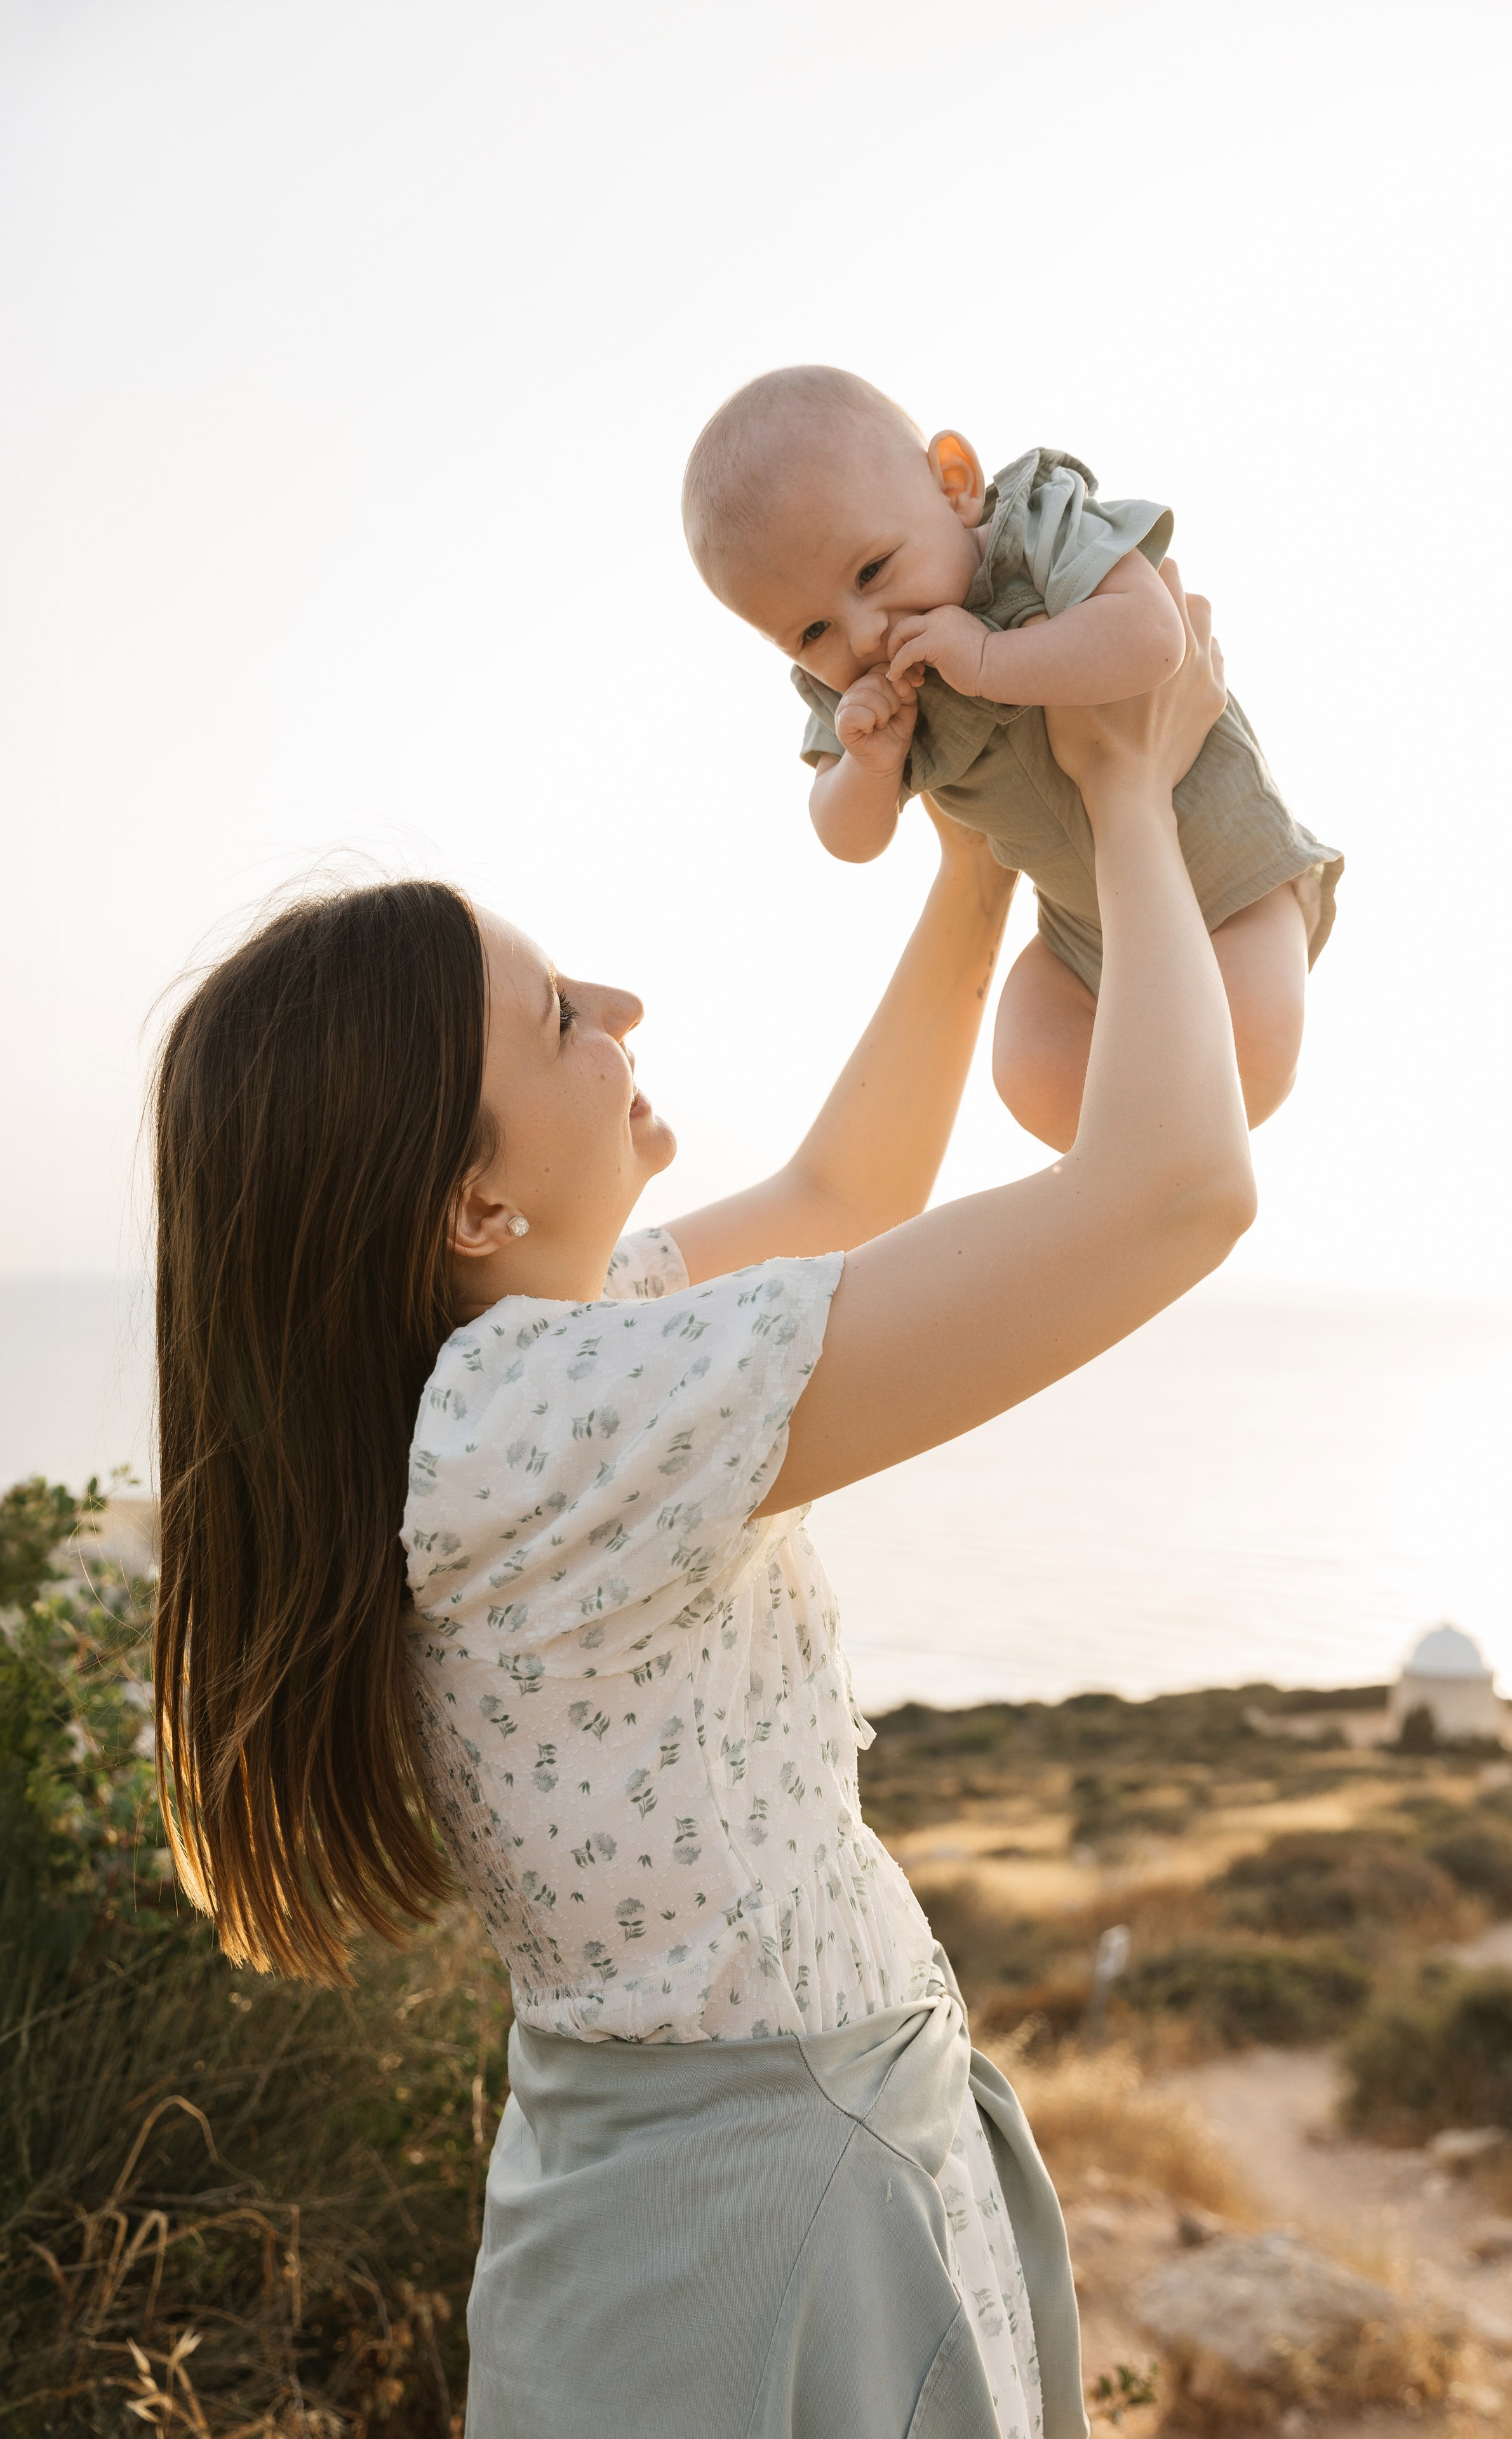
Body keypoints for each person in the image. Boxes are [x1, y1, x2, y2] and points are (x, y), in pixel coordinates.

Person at [151, 567, 1254, 2439]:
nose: (626, 1002)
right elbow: (1173, 1190)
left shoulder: (522, 1379)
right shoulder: (547, 1419)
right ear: (467, 1205)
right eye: (560, 1018)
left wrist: (980, 826)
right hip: (764, 2240)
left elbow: (849, 1183)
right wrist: (1132, 785)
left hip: (746, 2194)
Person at [683, 363, 1342, 1146]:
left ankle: (1171, 1142)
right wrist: (866, 766)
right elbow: (846, 838)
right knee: (1030, 1067)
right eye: (811, 633)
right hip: (1081, 937)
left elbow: (1155, 637)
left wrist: (991, 661)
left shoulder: (1035, 531)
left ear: (954, 485)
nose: (862, 635)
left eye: (871, 572)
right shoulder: (859, 696)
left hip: (1230, 882)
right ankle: (1126, 1170)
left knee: (1248, 1050)